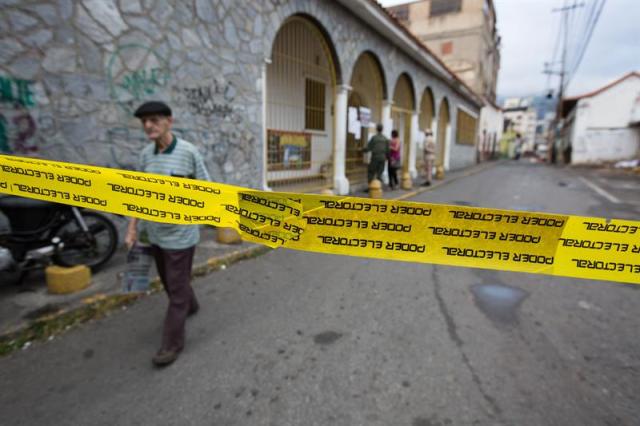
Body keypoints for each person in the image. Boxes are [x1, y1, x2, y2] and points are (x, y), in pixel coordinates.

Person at [125, 101, 211, 367]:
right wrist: (132, 228)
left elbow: (206, 188)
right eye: (144, 122)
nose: (148, 126)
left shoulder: (188, 152)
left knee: (175, 288)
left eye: (153, 120)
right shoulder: (145, 156)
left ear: (169, 122)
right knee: (169, 281)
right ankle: (191, 304)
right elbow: (137, 193)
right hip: (154, 235)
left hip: (180, 235)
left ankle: (171, 345)